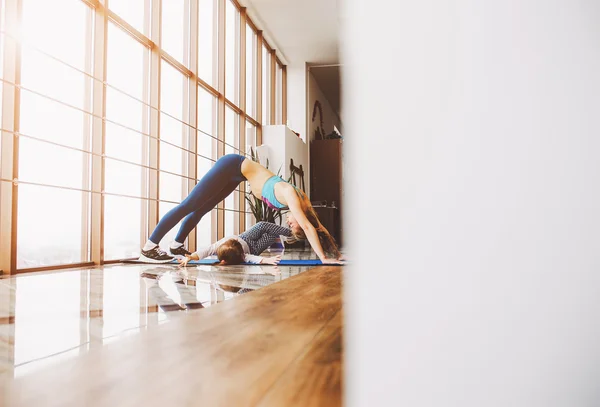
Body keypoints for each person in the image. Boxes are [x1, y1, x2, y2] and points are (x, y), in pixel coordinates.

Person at [138, 153, 343, 264]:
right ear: (302, 218)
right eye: (294, 225)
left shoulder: (304, 204)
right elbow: (308, 227)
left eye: (292, 227)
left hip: (238, 176)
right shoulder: (291, 195)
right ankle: (149, 247)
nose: (290, 223)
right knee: (189, 205)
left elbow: (317, 227)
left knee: (202, 209)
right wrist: (323, 259)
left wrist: (336, 254)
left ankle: (176, 246)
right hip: (232, 165)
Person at [177, 221, 293, 266]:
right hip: (254, 249)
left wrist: (191, 257)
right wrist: (267, 260)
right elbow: (252, 258)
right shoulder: (243, 256)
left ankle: (291, 233)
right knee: (272, 235)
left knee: (262, 225)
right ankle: (291, 238)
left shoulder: (218, 247)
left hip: (245, 237)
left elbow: (205, 251)